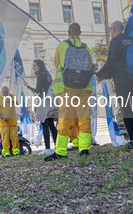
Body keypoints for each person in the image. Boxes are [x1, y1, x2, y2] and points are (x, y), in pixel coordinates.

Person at [96, 21, 133, 150]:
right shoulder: (132, 41)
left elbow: (112, 61)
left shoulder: (116, 41)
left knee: (126, 109)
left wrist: (99, 73)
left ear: (113, 29)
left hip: (122, 80)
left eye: (110, 29)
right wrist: (107, 75)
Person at [45, 22, 93, 161]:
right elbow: (89, 66)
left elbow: (57, 64)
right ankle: (84, 149)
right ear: (80, 33)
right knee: (84, 119)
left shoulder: (62, 46)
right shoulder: (87, 48)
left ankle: (61, 151)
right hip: (84, 88)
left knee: (65, 119)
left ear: (68, 32)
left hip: (67, 88)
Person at [24, 59, 57, 155]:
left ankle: (47, 148)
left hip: (43, 101)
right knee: (51, 125)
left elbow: (38, 90)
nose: (33, 67)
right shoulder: (46, 74)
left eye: (34, 65)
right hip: (50, 101)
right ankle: (57, 146)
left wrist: (28, 86)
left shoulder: (40, 75)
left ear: (39, 66)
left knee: (44, 124)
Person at [0, 86, 20, 157]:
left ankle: (16, 151)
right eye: (4, 92)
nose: (5, 93)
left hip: (13, 121)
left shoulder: (12, 96)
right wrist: (2, 118)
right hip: (4, 122)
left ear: (8, 91)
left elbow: (17, 103)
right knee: (5, 138)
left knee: (14, 137)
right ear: (1, 92)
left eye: (6, 92)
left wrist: (11, 101)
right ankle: (6, 152)